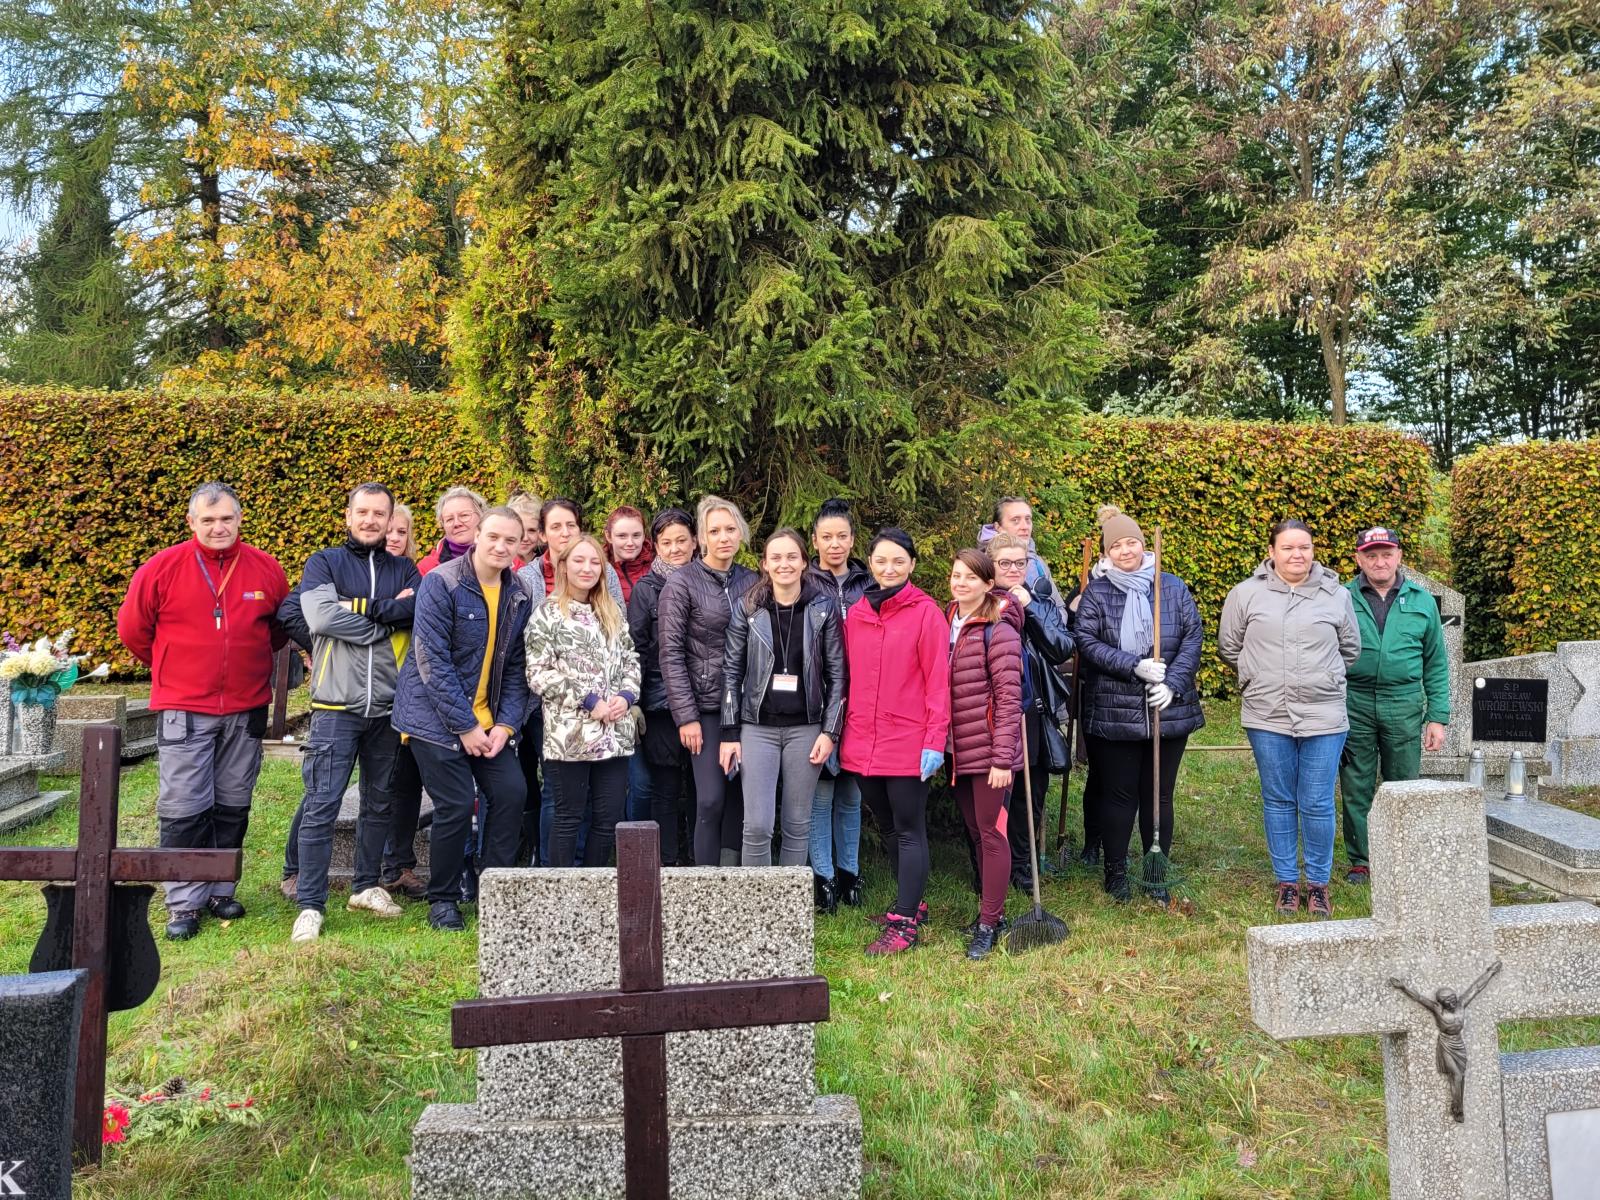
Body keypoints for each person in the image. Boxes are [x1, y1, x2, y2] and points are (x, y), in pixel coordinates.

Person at [116, 482, 289, 940]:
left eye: (226, 518)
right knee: (185, 807)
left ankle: (220, 887)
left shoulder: (266, 569)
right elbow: (134, 630)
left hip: (246, 706)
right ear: (192, 522)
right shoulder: (162, 568)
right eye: (208, 520)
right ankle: (183, 901)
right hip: (184, 707)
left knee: (233, 803)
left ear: (239, 519)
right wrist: (176, 668)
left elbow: (276, 632)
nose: (218, 527)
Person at [276, 483, 421, 943]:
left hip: (387, 707)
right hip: (335, 706)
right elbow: (319, 619)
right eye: (363, 512)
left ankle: (366, 886)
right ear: (348, 515)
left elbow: (415, 613)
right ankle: (311, 904)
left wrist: (354, 609)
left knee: (379, 802)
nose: (371, 520)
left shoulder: (406, 567)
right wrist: (383, 619)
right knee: (322, 803)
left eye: (380, 513)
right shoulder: (324, 562)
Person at [391, 506, 534, 932]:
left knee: (511, 793)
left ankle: (495, 891)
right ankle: (444, 898)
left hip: (489, 722)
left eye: (511, 540)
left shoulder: (518, 593)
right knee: (454, 804)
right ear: (478, 535)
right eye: (494, 537)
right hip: (433, 720)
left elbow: (515, 669)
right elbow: (431, 660)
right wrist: (466, 727)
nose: (501, 546)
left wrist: (505, 726)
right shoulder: (443, 582)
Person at [1219, 519, 1361, 920]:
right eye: (1288, 548)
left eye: (1306, 547)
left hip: (1324, 715)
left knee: (1317, 801)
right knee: (1278, 799)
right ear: (1272, 552)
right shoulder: (1246, 594)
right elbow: (1229, 646)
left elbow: (1350, 648)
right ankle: (1286, 881)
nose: (1298, 554)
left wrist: (1324, 677)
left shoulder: (1336, 595)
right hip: (1267, 713)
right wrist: (1256, 675)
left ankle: (1317, 884)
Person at [1072, 506, 1205, 905]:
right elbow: (1087, 641)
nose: (1125, 550)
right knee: (1120, 795)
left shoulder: (1172, 587)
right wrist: (1134, 666)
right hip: (1116, 710)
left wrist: (1175, 684)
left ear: (1144, 544)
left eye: (1131, 542)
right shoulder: (1098, 591)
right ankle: (1115, 871)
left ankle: (1156, 868)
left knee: (1159, 794)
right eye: (1116, 545)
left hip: (1167, 708)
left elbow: (1192, 637)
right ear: (1106, 552)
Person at [841, 527, 951, 956]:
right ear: (870, 564)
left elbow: (937, 682)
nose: (889, 569)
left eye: (898, 562)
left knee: (908, 829)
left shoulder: (926, 614)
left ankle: (904, 922)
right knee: (886, 825)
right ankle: (911, 901)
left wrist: (934, 738)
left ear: (912, 565)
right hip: (863, 741)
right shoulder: (858, 613)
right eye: (881, 561)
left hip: (908, 740)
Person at [720, 528, 846, 867]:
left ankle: (789, 908)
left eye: (792, 556)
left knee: (796, 823)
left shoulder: (823, 608)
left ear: (804, 561)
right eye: (776, 557)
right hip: (756, 727)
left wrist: (830, 732)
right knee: (758, 825)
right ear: (764, 564)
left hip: (806, 728)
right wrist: (730, 734)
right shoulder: (748, 607)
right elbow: (731, 672)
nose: (784, 564)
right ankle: (755, 907)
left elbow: (837, 674)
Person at [1339, 526, 1451, 885]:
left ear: (1399, 556)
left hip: (1403, 702)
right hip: (1353, 701)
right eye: (1371, 555)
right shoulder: (1342, 598)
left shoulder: (1421, 601)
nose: (1379, 561)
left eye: (1386, 554)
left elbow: (1436, 662)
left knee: (1403, 781)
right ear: (1359, 559)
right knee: (1356, 782)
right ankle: (1362, 860)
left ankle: (1403, 853)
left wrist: (1437, 716)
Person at [515, 497, 624, 864]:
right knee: (567, 816)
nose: (588, 568)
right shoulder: (547, 613)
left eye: (595, 561)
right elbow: (539, 672)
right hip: (568, 733)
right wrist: (589, 700)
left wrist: (626, 694)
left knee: (607, 819)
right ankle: (559, 892)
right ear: (563, 566)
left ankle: (593, 886)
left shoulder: (609, 612)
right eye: (579, 560)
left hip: (613, 731)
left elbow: (631, 658)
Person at [658, 495, 757, 867]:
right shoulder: (681, 584)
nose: (724, 538)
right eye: (714, 531)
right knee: (711, 798)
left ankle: (730, 876)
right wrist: (686, 716)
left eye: (730, 529)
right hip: (706, 709)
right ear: (701, 538)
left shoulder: (752, 581)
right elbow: (670, 652)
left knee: (739, 798)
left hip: (748, 709)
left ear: (741, 533)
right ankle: (704, 879)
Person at [945, 549, 1024, 961]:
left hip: (991, 752)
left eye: (970, 578)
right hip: (958, 750)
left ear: (988, 584)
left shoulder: (1000, 630)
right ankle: (990, 912)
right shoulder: (948, 622)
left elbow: (1009, 700)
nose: (961, 583)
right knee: (976, 833)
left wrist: (1001, 759)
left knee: (992, 835)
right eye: (956, 576)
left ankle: (990, 923)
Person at [988, 531, 1075, 892]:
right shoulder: (982, 601)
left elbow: (1061, 648)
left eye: (1019, 563)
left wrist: (1032, 609)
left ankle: (1022, 866)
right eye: (1004, 563)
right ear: (990, 567)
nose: (1012, 569)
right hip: (993, 712)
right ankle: (992, 866)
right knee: (995, 796)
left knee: (1030, 793)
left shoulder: (1039, 601)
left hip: (1033, 710)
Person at [806, 498, 871, 909]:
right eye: (826, 537)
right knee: (821, 792)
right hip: (818, 699)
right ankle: (822, 876)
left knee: (851, 793)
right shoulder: (804, 581)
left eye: (842, 536)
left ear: (852, 539)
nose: (835, 544)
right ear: (814, 540)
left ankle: (850, 872)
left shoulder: (868, 582)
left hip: (862, 701)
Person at [628, 507, 699, 864]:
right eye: (667, 542)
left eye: (682, 540)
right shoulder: (646, 589)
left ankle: (699, 861)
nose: (675, 549)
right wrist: (638, 700)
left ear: (694, 541)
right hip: (659, 704)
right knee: (665, 789)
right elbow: (637, 647)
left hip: (703, 703)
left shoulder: (708, 580)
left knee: (703, 790)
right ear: (656, 546)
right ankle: (666, 863)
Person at [378, 502, 427, 899]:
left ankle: (399, 866)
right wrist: (391, 607)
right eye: (388, 530)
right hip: (361, 695)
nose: (394, 538)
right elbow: (305, 613)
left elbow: (418, 611)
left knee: (406, 782)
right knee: (332, 784)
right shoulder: (342, 566)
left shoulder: (413, 572)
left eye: (401, 532)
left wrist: (371, 611)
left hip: (405, 695)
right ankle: (295, 867)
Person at [978, 496, 1069, 622]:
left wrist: (1050, 629)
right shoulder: (980, 564)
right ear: (998, 527)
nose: (1025, 526)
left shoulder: (1037, 563)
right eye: (1015, 520)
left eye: (1028, 519)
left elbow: (1060, 609)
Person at [417, 486, 486, 575]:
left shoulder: (505, 560)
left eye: (464, 515)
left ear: (481, 516)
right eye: (449, 519)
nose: (456, 523)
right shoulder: (427, 569)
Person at [605, 505, 655, 603]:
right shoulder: (599, 570)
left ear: (644, 535)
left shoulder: (657, 567)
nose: (630, 543)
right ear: (609, 536)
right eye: (622, 536)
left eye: (636, 535)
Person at [508, 491, 545, 563]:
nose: (525, 538)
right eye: (519, 530)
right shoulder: (500, 562)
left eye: (532, 530)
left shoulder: (546, 562)